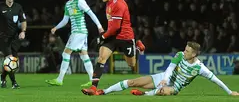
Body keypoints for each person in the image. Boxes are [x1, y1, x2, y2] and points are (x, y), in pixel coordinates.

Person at [89, 41, 239, 96]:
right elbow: (170, 67)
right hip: (163, 78)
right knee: (133, 82)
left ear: (194, 54)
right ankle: (104, 92)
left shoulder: (200, 68)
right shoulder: (180, 55)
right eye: (185, 49)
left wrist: (229, 92)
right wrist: (164, 79)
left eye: (187, 51)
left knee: (164, 92)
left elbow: (216, 80)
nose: (184, 51)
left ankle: (145, 95)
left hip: (175, 87)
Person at [81, 0, 145, 95]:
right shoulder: (108, 2)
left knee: (131, 64)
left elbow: (116, 27)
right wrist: (105, 36)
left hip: (125, 37)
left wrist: (102, 37)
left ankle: (138, 48)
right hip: (112, 36)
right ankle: (93, 88)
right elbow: (112, 26)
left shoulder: (119, 4)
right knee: (101, 58)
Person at [45, 0, 104, 87]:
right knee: (84, 55)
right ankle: (92, 80)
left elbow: (91, 13)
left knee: (66, 53)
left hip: (79, 32)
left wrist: (99, 26)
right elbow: (65, 20)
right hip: (79, 33)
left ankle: (59, 79)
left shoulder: (80, 1)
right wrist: (56, 27)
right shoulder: (68, 4)